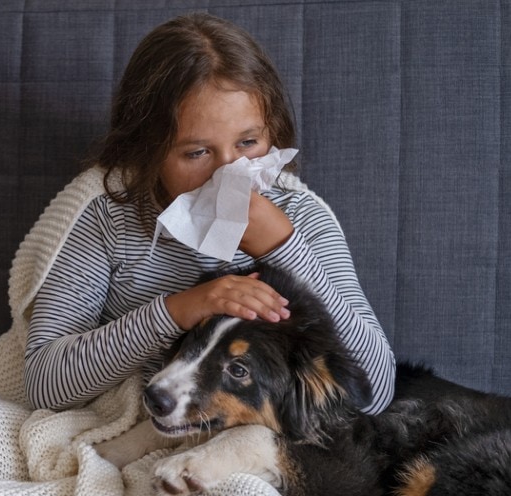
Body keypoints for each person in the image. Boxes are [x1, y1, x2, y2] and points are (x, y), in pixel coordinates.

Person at [25, 13, 395, 415]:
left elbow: (375, 391)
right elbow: (44, 386)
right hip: (134, 419)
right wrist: (181, 309)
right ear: (146, 151)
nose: (228, 173)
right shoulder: (107, 219)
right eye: (197, 152)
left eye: (248, 142)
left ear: (273, 130)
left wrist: (285, 249)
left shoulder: (301, 220)